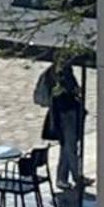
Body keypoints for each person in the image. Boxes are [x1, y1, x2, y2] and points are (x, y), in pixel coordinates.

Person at [38, 57, 84, 197]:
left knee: (67, 146)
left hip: (71, 111)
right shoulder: (54, 75)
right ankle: (76, 176)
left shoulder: (66, 72)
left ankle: (63, 177)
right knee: (70, 146)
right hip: (64, 114)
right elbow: (61, 94)